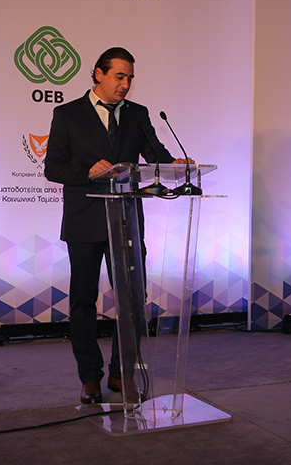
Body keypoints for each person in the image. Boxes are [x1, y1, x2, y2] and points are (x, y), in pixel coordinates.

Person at [44, 46, 189, 404]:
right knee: (83, 301)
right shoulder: (68, 114)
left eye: (130, 78)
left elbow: (155, 155)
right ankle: (90, 377)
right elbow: (53, 168)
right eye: (119, 76)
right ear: (99, 74)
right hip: (84, 221)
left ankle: (121, 373)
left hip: (125, 219)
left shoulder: (138, 114)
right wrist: (87, 171)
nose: (125, 84)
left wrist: (176, 164)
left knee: (133, 299)